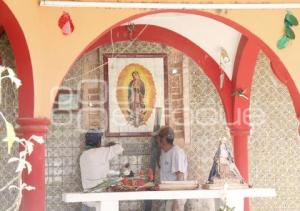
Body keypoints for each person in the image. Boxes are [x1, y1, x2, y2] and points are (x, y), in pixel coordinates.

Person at [79, 129, 124, 211]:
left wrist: (106, 148)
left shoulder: (83, 155)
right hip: (99, 202)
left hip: (86, 201)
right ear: (98, 142)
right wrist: (111, 145)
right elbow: (120, 148)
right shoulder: (101, 152)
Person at [158, 126, 188, 211]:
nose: (158, 144)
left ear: (163, 140)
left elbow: (180, 177)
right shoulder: (163, 152)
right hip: (166, 195)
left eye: (159, 140)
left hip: (175, 197)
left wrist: (177, 201)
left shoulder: (177, 153)